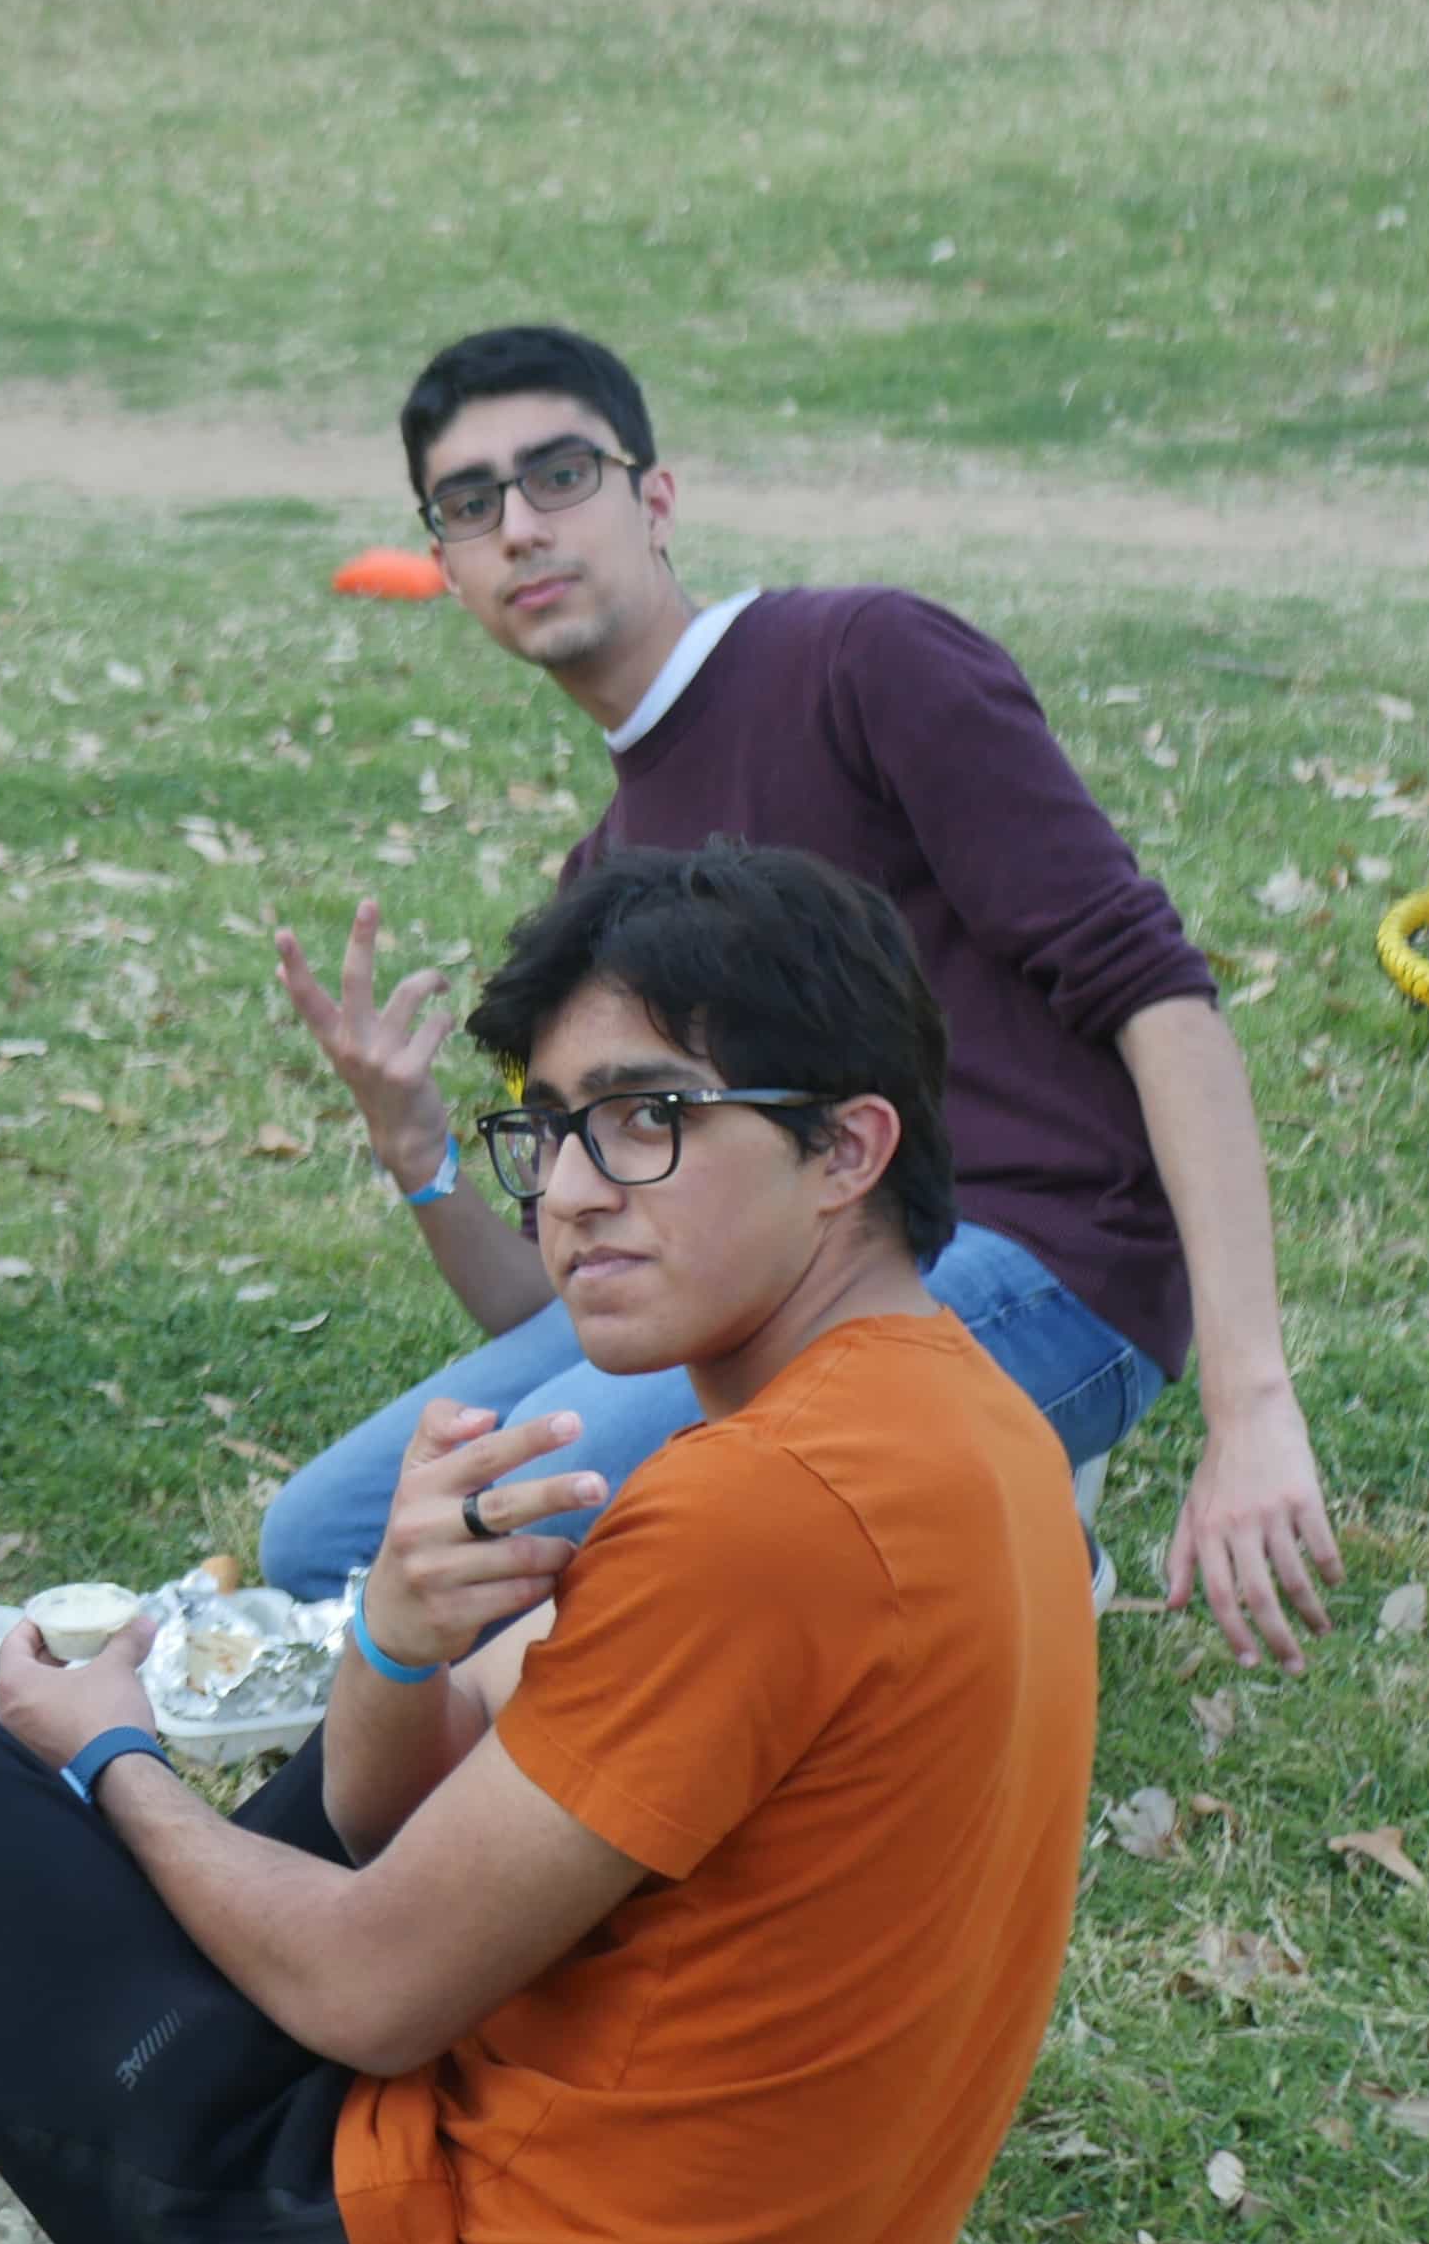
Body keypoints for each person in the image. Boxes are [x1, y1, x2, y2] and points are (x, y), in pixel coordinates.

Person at [0, 842, 1097, 2244]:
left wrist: (119, 1764)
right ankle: (45, 2079)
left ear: (847, 1147)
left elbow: (380, 1992)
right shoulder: (964, 1417)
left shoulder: (759, 1508)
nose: (573, 1190)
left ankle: (9, 2128)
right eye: (547, 1128)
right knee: (291, 1811)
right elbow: (405, 1814)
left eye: (650, 1118)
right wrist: (398, 1632)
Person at [259, 323, 1337, 1668]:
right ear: (447, 563)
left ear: (654, 500)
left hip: (1051, 1264)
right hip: (766, 1280)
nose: (521, 528)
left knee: (527, 1555)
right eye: (471, 505)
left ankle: (1002, 1514)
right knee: (318, 1547)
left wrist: (1251, 1403)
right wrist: (420, 1159)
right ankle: (998, 1527)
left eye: (559, 476)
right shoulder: (612, 876)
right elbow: (585, 1300)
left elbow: (1163, 1002)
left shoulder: (863, 661)